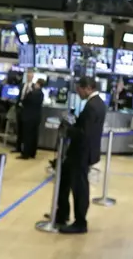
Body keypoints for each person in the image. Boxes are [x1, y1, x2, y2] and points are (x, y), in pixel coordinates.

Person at [54, 76, 106, 234]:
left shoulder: (91, 106)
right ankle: (62, 214)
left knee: (79, 187)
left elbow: (84, 133)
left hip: (81, 153)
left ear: (88, 88)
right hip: (80, 152)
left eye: (79, 90)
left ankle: (80, 222)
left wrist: (69, 128)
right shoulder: (98, 103)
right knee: (65, 181)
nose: (78, 94)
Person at [18, 78, 45, 160]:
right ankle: (32, 153)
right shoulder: (41, 94)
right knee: (34, 135)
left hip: (28, 117)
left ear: (37, 84)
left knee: (27, 136)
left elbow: (24, 102)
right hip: (36, 117)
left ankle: (25, 154)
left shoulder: (31, 93)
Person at [13, 70, 34, 154]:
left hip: (28, 111)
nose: (29, 77)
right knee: (19, 129)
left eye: (30, 76)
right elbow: (19, 96)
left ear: (32, 77)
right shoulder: (22, 85)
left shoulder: (33, 87)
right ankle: (18, 148)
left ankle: (24, 149)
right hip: (20, 109)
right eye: (28, 76)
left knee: (26, 130)